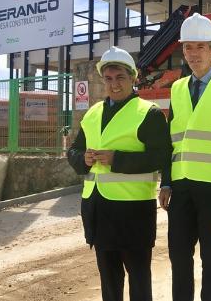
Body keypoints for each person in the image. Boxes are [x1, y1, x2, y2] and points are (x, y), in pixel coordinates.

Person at [67, 46, 171, 301]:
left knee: (139, 283)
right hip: (99, 211)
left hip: (133, 213)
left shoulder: (149, 113)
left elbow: (161, 156)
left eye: (120, 78)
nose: (114, 84)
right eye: (109, 78)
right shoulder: (92, 114)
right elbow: (73, 151)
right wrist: (85, 159)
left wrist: (118, 159)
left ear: (133, 78)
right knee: (109, 285)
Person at [158, 12, 211, 301]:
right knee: (179, 257)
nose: (193, 54)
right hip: (180, 188)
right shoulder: (178, 88)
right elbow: (170, 142)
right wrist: (166, 181)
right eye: (188, 47)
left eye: (200, 47)